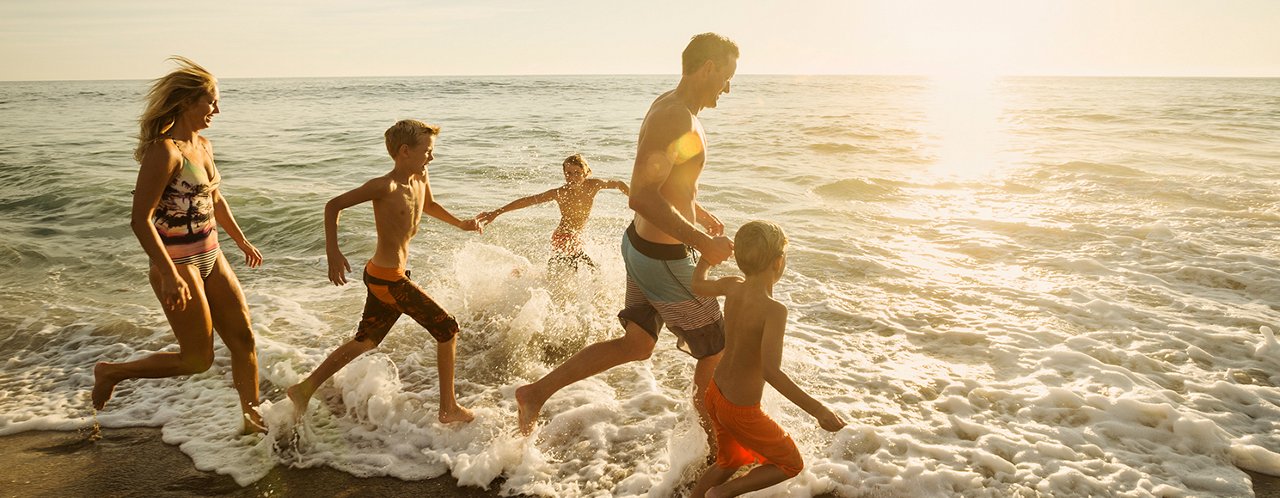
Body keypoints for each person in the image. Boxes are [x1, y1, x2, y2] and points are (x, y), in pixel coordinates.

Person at [515, 33, 740, 438]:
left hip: (641, 248)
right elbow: (641, 195)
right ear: (708, 67)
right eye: (726, 77)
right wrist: (703, 243)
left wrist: (698, 213)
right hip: (663, 258)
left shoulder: (671, 107)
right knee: (716, 348)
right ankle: (713, 445)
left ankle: (535, 393)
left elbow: (667, 182)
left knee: (636, 344)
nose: (728, 87)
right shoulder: (675, 116)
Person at [92, 57, 265, 434]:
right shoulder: (164, 151)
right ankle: (112, 372)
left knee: (245, 339)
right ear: (187, 102)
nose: (216, 109)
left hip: (211, 254)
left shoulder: (203, 145)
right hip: (177, 262)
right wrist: (169, 274)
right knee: (197, 360)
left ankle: (253, 423)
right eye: (211, 101)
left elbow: (214, 199)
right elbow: (140, 220)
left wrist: (241, 240)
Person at [286, 119, 479, 425]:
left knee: (366, 341)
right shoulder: (384, 186)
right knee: (448, 328)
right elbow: (333, 205)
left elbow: (428, 205)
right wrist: (333, 251)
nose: (432, 157)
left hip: (385, 275)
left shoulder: (420, 176)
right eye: (427, 151)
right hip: (388, 280)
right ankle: (448, 408)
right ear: (405, 151)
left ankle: (304, 389)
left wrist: (461, 224)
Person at [688, 221, 846, 498]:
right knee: (790, 463)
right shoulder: (774, 310)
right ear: (778, 262)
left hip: (715, 394)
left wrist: (706, 257)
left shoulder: (733, 286)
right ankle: (720, 494)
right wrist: (818, 409)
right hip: (741, 411)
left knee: (731, 459)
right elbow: (772, 372)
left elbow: (698, 284)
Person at [476, 153, 629, 274]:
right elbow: (527, 201)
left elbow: (619, 184)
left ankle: (529, 275)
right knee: (588, 270)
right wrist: (496, 213)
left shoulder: (594, 185)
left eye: (577, 172)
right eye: (568, 173)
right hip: (563, 237)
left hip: (575, 237)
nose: (572, 177)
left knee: (568, 270)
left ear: (586, 172)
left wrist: (634, 199)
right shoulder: (560, 193)